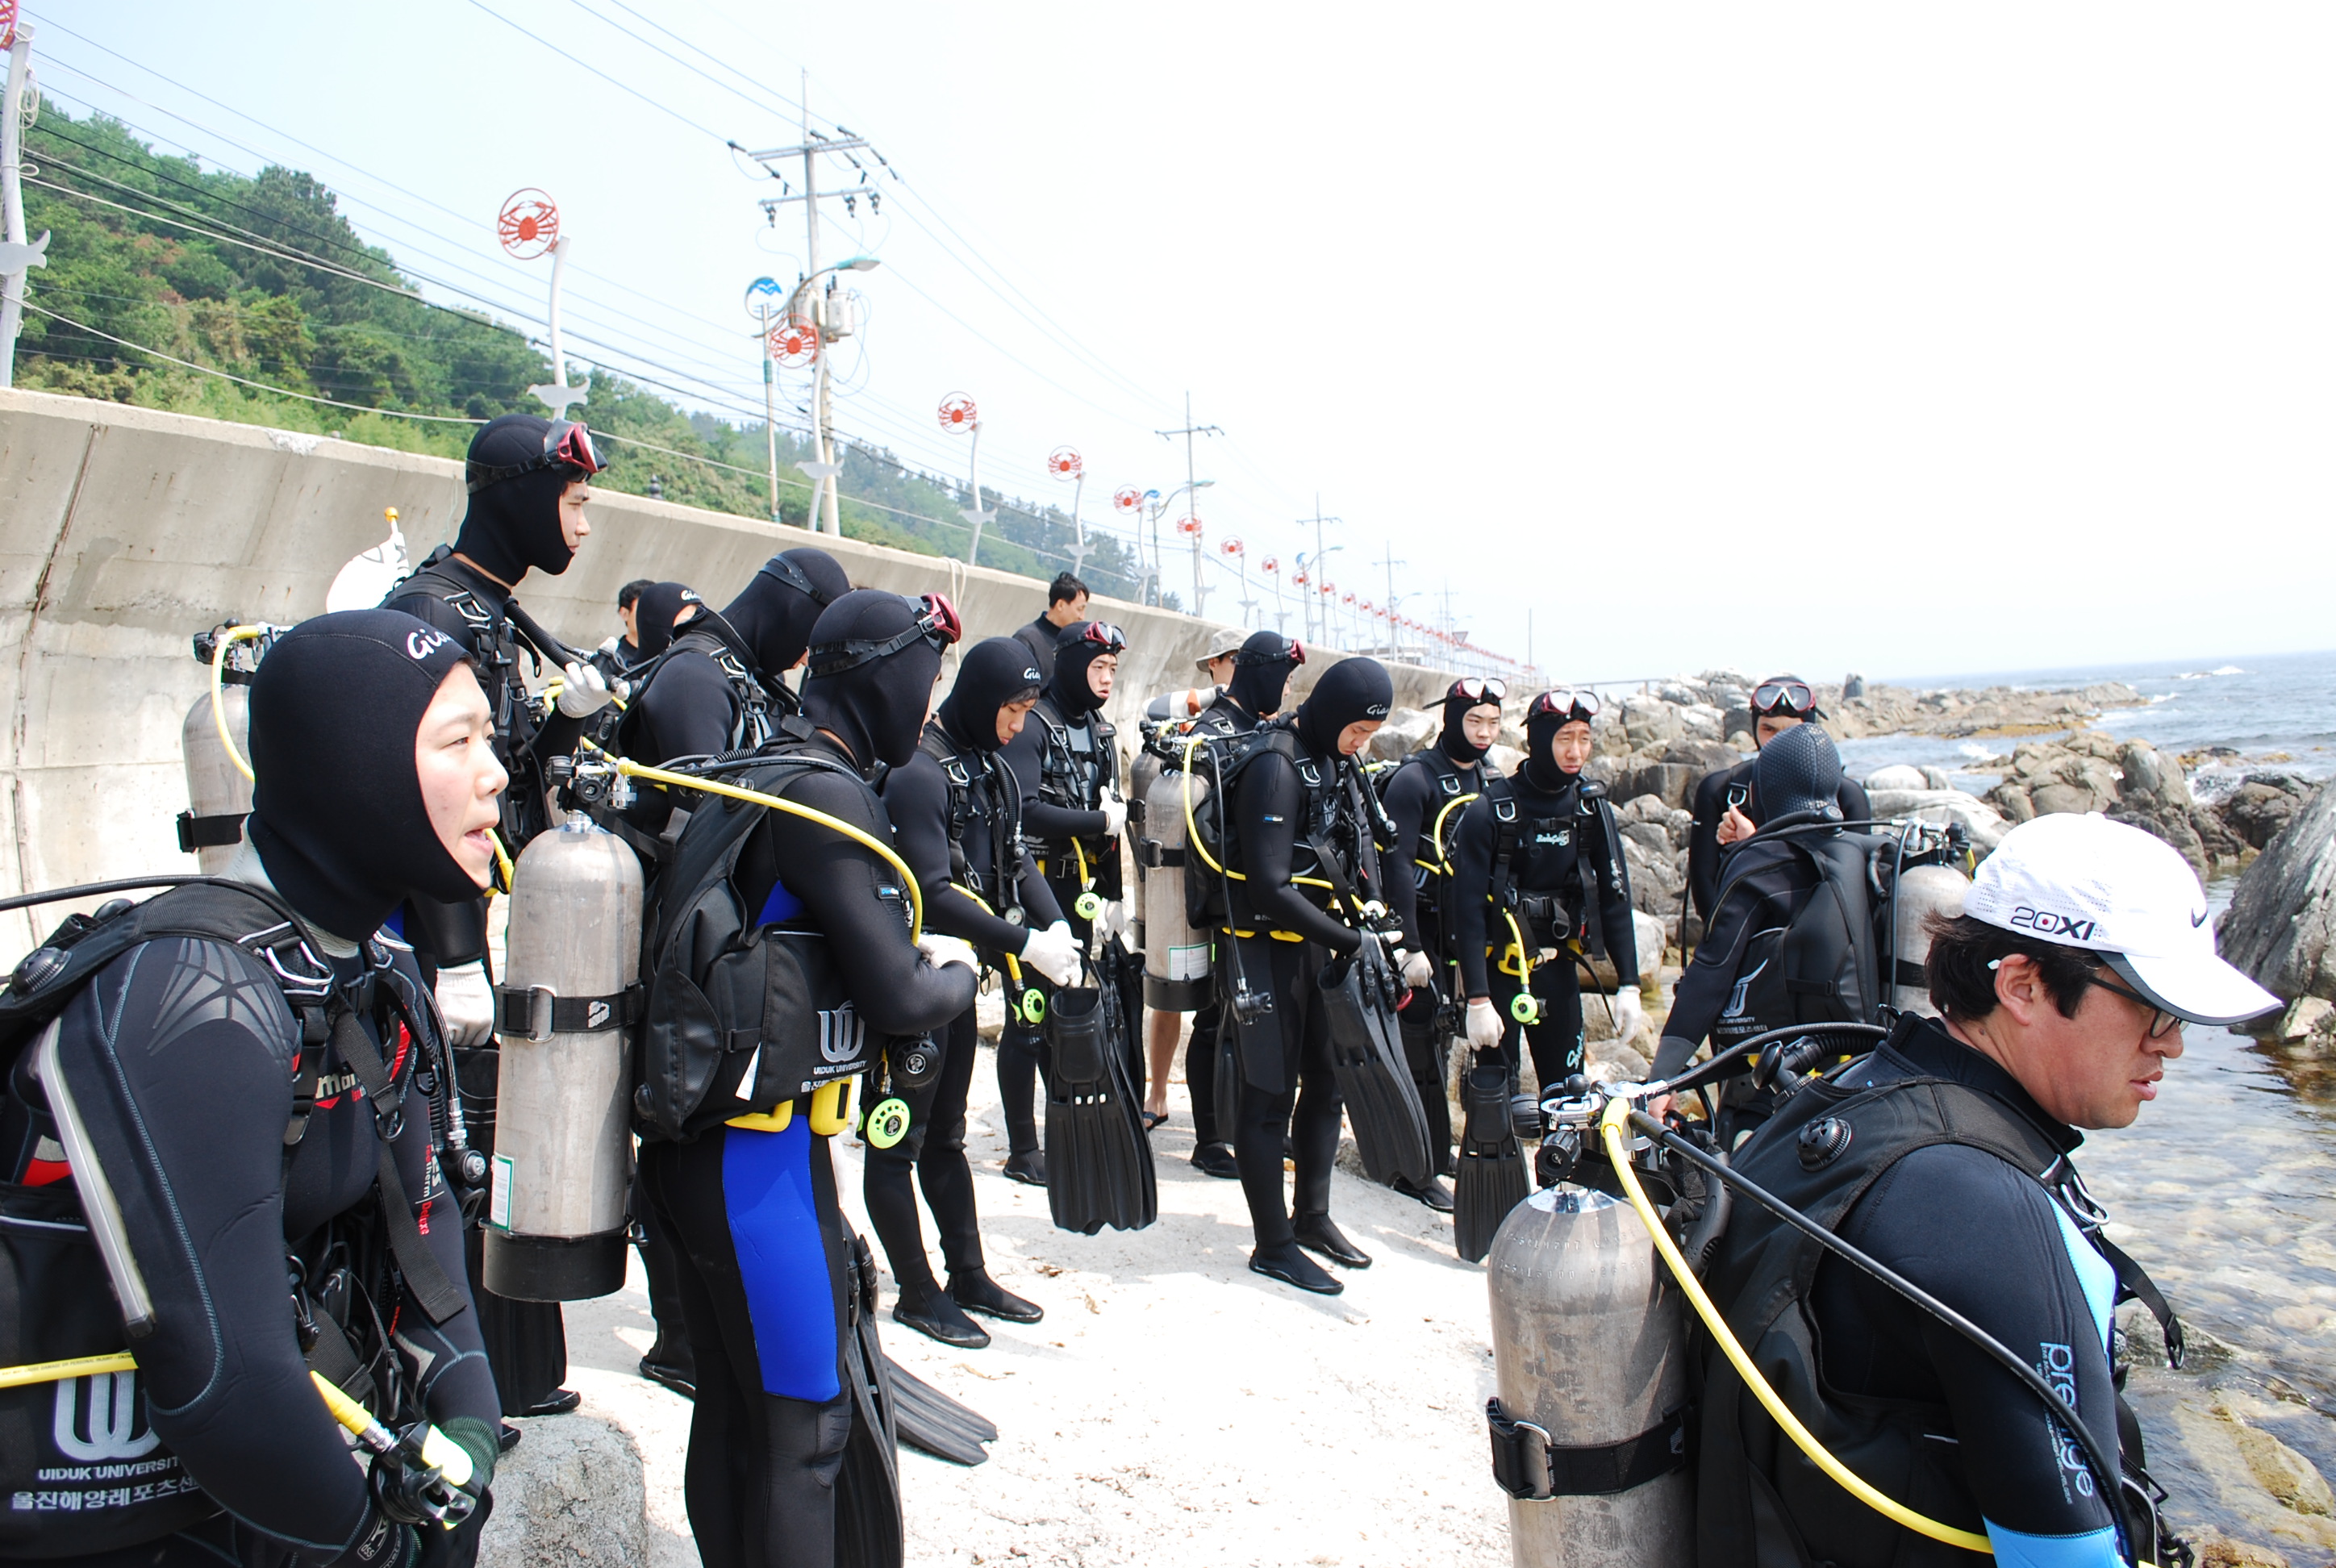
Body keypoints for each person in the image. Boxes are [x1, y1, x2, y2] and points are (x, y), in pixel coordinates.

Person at [11, 610, 505, 1566]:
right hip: (111, 1521)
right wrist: (378, 1544)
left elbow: (426, 1237)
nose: (495, 774)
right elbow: (223, 1382)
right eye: (458, 742)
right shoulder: (195, 1000)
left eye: (489, 738)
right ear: (350, 767)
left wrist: (470, 1440)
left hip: (266, 1503)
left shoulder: (376, 978)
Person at [1695, 811, 2277, 1568]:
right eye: (2154, 1009)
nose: (2172, 1044)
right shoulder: (1987, 1210)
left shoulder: (1857, 1092)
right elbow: (2073, 1560)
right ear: (2023, 987)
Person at [635, 589, 978, 1568]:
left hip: (691, 1152)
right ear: (883, 681)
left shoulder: (755, 768)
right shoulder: (826, 795)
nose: (927, 705)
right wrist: (963, 972)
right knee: (806, 1433)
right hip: (759, 1164)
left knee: (734, 1412)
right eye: (924, 681)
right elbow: (901, 996)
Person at [381, 413, 615, 1425]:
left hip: (479, 929)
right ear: (521, 496)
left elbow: (504, 793)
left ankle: (510, 1376)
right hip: (429, 943)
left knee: (490, 1141)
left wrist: (565, 723)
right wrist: (449, 958)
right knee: (451, 1158)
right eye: (573, 503)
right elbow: (425, 803)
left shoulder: (492, 617)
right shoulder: (430, 613)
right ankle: (450, 1389)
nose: (583, 526)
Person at [874, 636, 1076, 1346]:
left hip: (958, 983)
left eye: (1026, 712)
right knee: (896, 1140)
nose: (1018, 726)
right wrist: (1024, 943)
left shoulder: (991, 770)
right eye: (1011, 710)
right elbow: (932, 891)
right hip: (911, 979)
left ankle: (967, 1274)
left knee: (948, 1136)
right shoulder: (919, 773)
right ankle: (916, 1291)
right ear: (983, 698)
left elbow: (1015, 861)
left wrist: (1056, 925)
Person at [1216, 657, 1395, 1295]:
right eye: (1356, 730)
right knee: (1268, 1095)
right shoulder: (1276, 764)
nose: (1360, 743)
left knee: (1328, 1082)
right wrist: (1351, 941)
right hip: (1266, 947)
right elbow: (1269, 885)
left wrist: (1374, 920)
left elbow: (1360, 843)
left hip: (1319, 943)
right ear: (1332, 710)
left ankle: (1312, 1217)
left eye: (1369, 734)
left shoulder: (1337, 760)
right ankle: (1273, 1246)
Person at [1653, 723, 1871, 1141]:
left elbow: (1711, 971)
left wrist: (1663, 1078)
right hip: (1862, 1071)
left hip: (1775, 1080)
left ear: (1758, 792)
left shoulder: (1758, 868)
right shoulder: (1867, 854)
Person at [1138, 631, 1304, 1175]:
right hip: (1215, 899)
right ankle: (1208, 1139)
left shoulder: (1259, 727)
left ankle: (1252, 1126)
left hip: (1250, 896)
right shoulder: (1212, 733)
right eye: (1283, 677)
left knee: (1245, 1018)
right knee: (1213, 1020)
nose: (1287, 688)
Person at [1452, 690, 1641, 1096]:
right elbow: (1466, 908)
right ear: (1537, 741)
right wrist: (1478, 1000)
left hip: (1559, 972)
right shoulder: (1491, 809)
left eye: (1585, 739)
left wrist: (1629, 982)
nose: (1576, 752)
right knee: (1494, 1104)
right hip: (1499, 975)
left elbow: (1615, 894)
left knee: (1570, 1097)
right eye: (1564, 739)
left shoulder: (1591, 808)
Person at [997, 619, 1131, 1186]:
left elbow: (1110, 819)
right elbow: (1026, 810)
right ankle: (1023, 1148)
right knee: (1027, 1018)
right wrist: (1098, 820)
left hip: (1083, 892)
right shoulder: (1034, 724)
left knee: (1072, 1014)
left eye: (1113, 670)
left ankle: (1069, 1133)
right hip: (1036, 887)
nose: (1106, 679)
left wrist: (1114, 898)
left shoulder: (1099, 729)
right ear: (1072, 664)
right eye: (1098, 667)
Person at [1376, 677, 1508, 1211]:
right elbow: (1396, 866)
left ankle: (1434, 1148)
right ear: (1451, 719)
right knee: (1418, 1045)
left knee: (1444, 1043)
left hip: (1464, 932)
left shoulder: (1488, 778)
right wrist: (1408, 945)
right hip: (1421, 931)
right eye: (1474, 721)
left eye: (1493, 723)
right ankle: (1413, 1167)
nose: (1483, 733)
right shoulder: (1416, 779)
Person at [619, 550, 852, 772]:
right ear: (793, 615)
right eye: (811, 640)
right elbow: (700, 798)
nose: (806, 660)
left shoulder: (745, 676)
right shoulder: (694, 676)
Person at [1686, 673, 1870, 930]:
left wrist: (1749, 845)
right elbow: (1703, 886)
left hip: (1822, 935)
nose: (1778, 742)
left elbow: (1854, 890)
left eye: (1791, 731)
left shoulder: (1847, 795)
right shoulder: (1720, 790)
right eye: (1769, 730)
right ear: (1754, 729)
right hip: (1741, 936)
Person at [1011, 571, 1090, 685]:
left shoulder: (1076, 643)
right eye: (1080, 609)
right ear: (1061, 605)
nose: (1082, 617)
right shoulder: (1026, 640)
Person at [591, 578, 656, 680]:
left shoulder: (668, 657)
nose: (651, 617)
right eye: (644, 610)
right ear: (625, 614)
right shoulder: (609, 662)